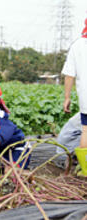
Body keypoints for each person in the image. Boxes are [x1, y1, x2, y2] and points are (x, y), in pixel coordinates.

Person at [61, 18, 87, 176]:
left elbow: (69, 75)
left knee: (86, 131)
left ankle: (85, 170)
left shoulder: (77, 46)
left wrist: (67, 97)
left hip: (86, 98)